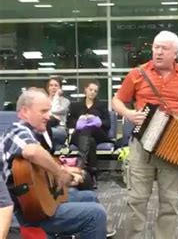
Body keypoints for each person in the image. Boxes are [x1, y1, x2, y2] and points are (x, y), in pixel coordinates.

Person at [112, 30, 178, 239]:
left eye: (164, 48)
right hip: (141, 144)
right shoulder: (137, 73)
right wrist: (128, 114)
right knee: (136, 200)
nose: (158, 52)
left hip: (173, 146)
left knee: (170, 202)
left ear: (176, 53)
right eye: (156, 47)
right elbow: (116, 100)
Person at [0, 88, 107, 238]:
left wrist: (64, 171)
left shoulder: (33, 134)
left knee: (89, 196)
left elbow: (37, 169)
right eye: (43, 111)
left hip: (35, 201)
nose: (48, 116)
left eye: (48, 111)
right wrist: (60, 173)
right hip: (25, 214)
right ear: (25, 112)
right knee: (96, 215)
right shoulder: (16, 130)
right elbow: (32, 152)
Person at [67, 80, 110, 189]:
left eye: (95, 91)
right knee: (90, 141)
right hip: (80, 135)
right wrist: (79, 120)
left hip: (98, 133)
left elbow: (107, 124)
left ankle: (80, 165)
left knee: (89, 128)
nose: (93, 93)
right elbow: (69, 123)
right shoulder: (76, 106)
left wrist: (97, 120)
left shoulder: (101, 105)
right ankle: (93, 174)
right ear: (85, 90)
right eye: (91, 90)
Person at [45, 77, 70, 150]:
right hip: (44, 127)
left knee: (43, 133)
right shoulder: (42, 100)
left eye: (56, 85)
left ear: (60, 88)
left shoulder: (66, 101)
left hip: (59, 128)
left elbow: (55, 110)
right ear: (48, 87)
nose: (53, 87)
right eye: (51, 85)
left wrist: (56, 96)